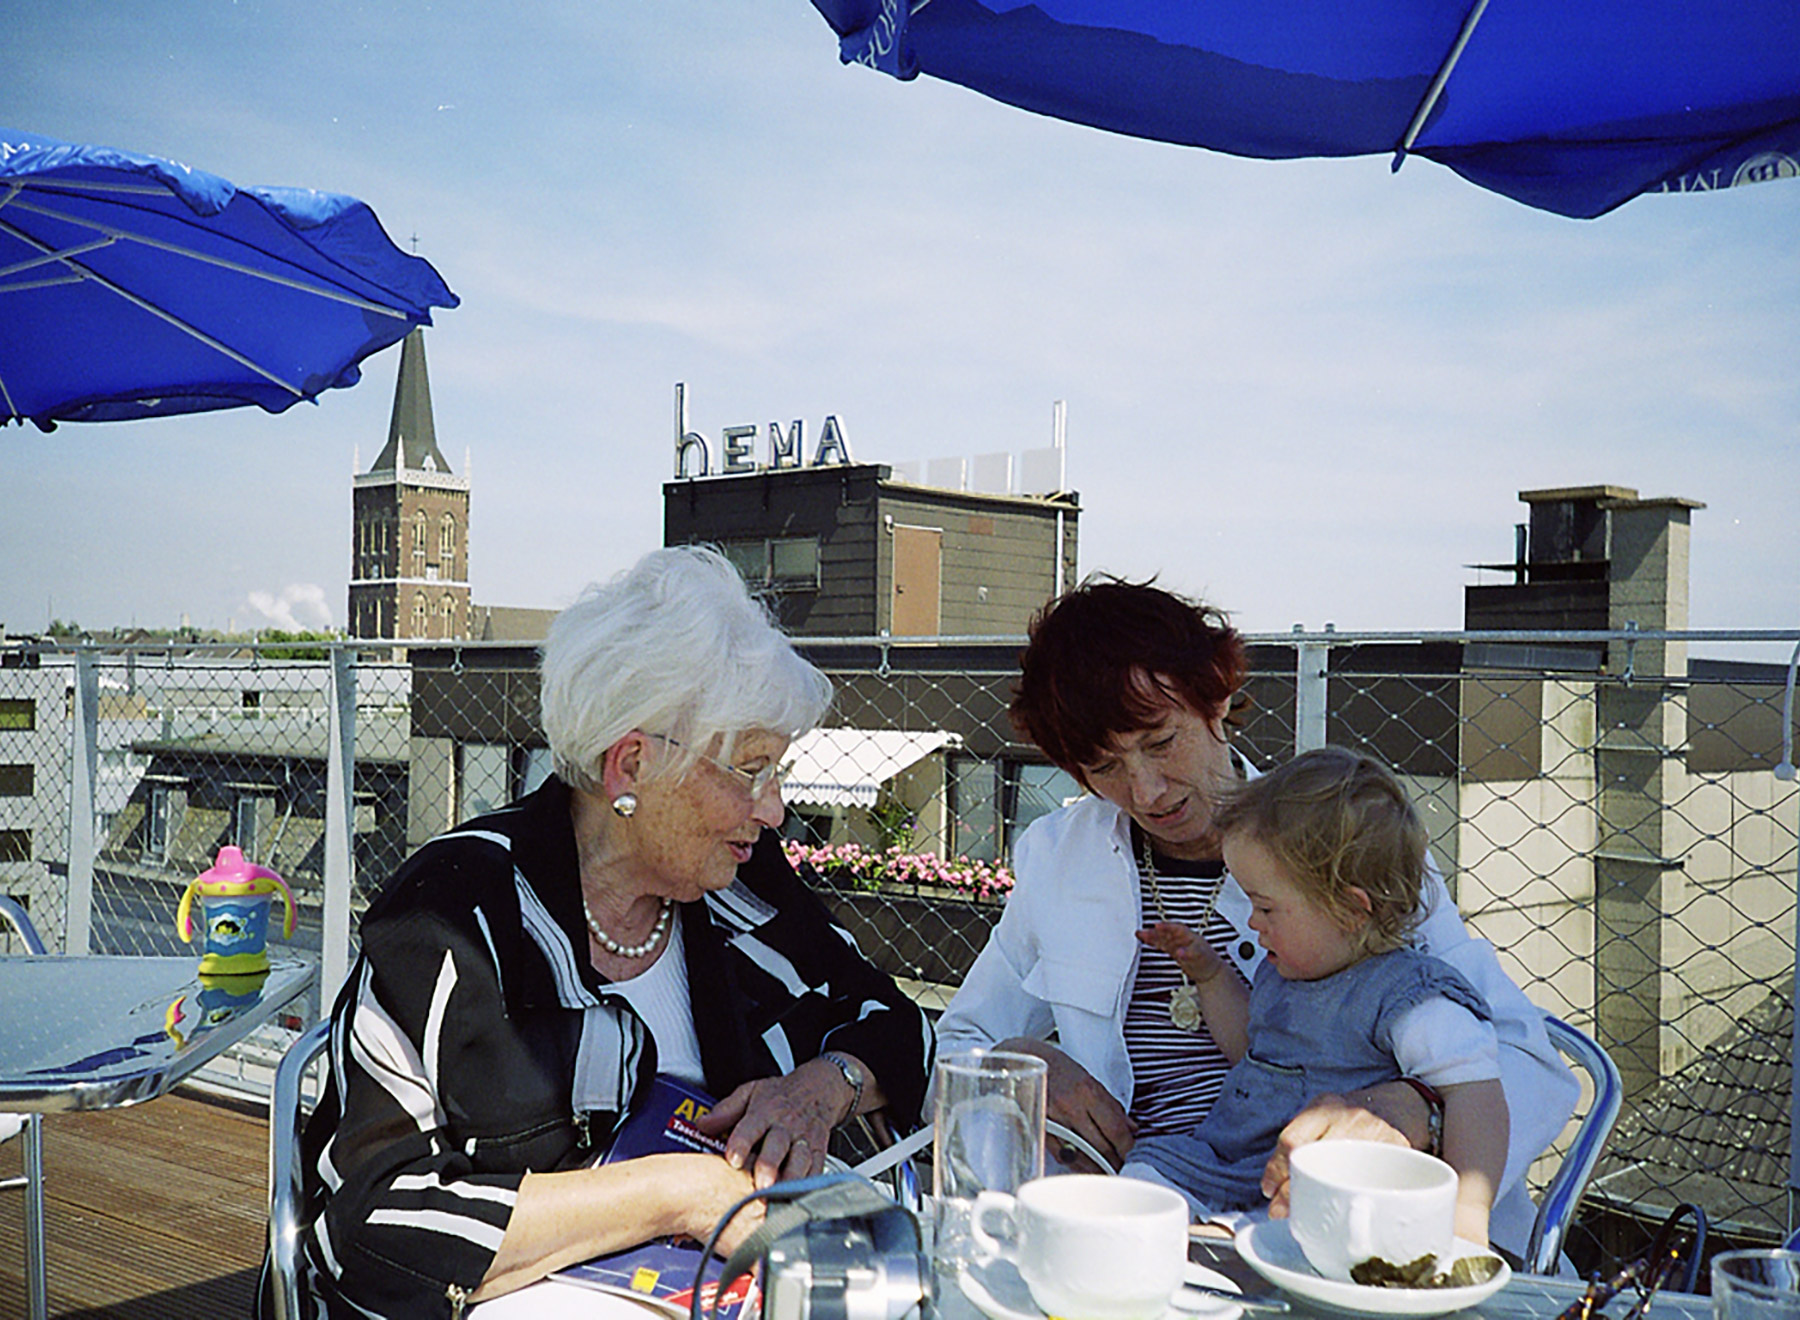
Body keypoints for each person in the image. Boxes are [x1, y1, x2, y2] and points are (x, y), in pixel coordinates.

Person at [264, 546, 934, 1319]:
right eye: (752, 769)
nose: (775, 808)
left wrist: (819, 1089)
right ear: (631, 766)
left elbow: (896, 1024)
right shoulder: (457, 909)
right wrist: (675, 1195)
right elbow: (367, 1227)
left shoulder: (741, 884)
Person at [934, 576, 1578, 1261]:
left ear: (1215, 698)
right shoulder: (1057, 859)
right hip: (1150, 1217)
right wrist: (1017, 1063)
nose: (1145, 791)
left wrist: (1421, 1107)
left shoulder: (1341, 840)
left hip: (1342, 1230)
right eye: (1103, 767)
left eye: (1159, 742)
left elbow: (1534, 1063)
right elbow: (960, 1043)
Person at [1124, 747, 1507, 1247]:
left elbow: (1477, 1097)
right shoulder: (1284, 972)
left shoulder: (1409, 998)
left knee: (1253, 1238)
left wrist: (1466, 1215)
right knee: (1142, 1179)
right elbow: (1249, 1048)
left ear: (1350, 909)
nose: (1253, 923)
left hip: (1315, 1188)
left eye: (1264, 906)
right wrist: (1211, 975)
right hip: (1222, 1162)